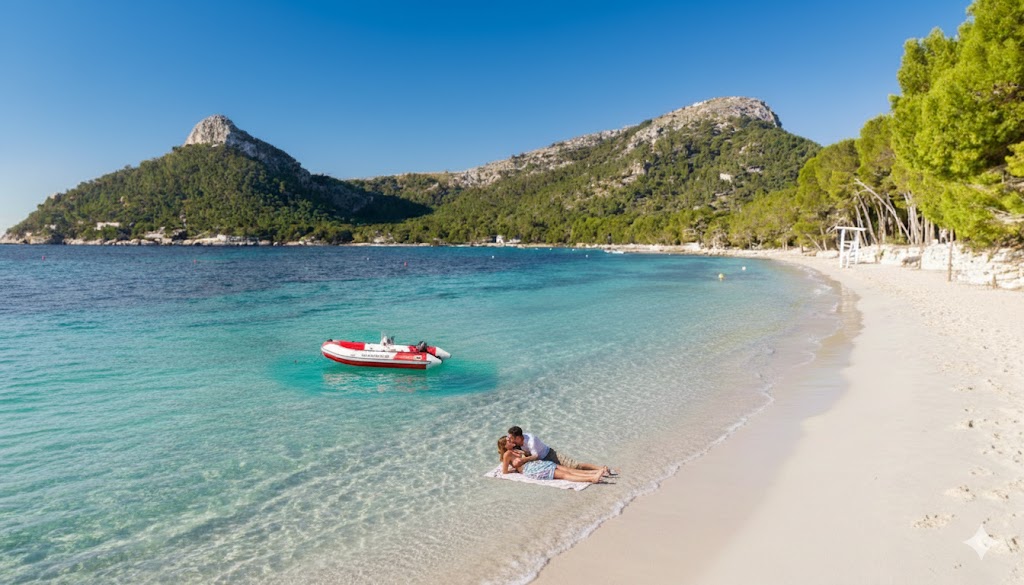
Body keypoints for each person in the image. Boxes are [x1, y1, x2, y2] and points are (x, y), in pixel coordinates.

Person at [506, 426, 617, 477]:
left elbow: (535, 456)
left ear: (518, 437)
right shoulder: (517, 443)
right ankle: (598, 472)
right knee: (568, 471)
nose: (509, 439)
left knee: (576, 466)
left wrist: (524, 459)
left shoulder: (531, 440)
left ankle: (601, 468)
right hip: (542, 462)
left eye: (511, 437)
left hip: (550, 455)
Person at [497, 437, 604, 483]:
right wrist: (516, 468)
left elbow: (529, 455)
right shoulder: (507, 454)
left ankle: (594, 472)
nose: (511, 440)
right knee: (562, 474)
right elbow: (505, 472)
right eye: (508, 441)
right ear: (505, 446)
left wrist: (524, 455)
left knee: (565, 469)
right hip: (529, 469)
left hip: (536, 463)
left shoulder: (517, 449)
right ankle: (591, 479)